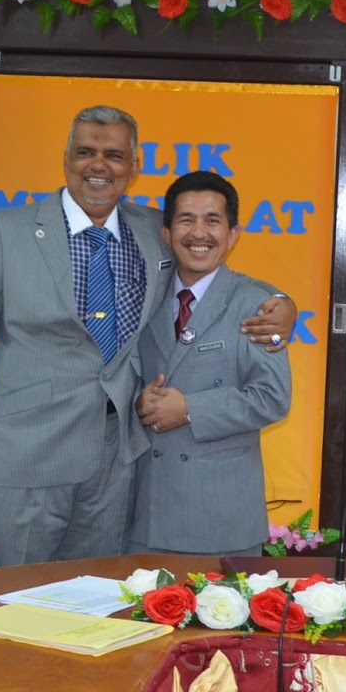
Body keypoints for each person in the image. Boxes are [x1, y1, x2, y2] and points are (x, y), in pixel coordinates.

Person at [0, 106, 296, 566]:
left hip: (114, 467)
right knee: (9, 598)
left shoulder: (153, 230)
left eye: (114, 155)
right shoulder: (7, 232)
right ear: (66, 159)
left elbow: (213, 268)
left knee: (93, 598)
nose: (98, 165)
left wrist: (281, 302)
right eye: (86, 152)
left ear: (134, 167)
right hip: (22, 459)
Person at [130, 172, 292, 557]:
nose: (198, 233)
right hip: (145, 513)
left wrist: (190, 409)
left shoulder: (258, 304)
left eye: (212, 221)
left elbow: (272, 398)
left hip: (222, 518)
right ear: (166, 233)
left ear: (232, 235)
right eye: (186, 220)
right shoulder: (143, 297)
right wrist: (139, 402)